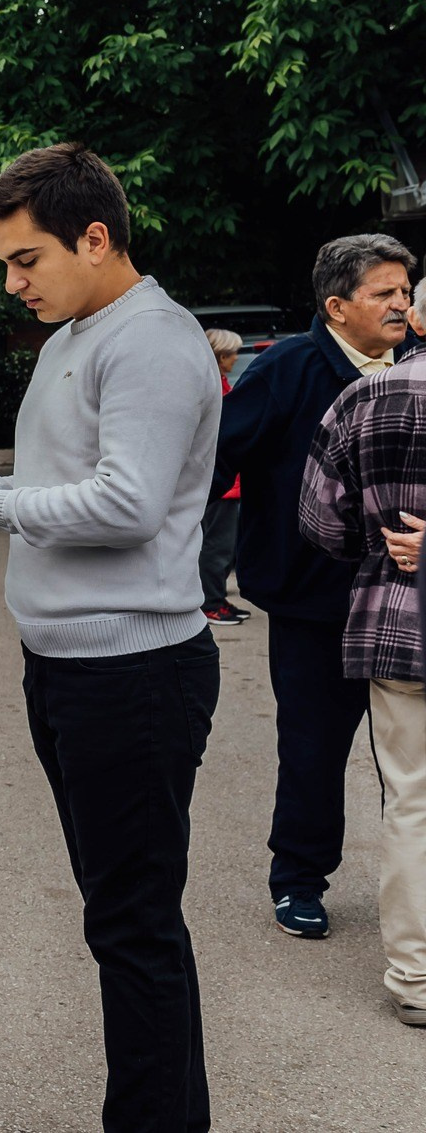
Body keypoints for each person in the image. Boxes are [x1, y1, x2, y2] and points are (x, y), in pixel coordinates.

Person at [0, 144, 219, 1133]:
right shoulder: (81, 331)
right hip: (73, 666)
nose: (9, 281)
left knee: (132, 925)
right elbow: (66, 484)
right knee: (120, 918)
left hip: (131, 672)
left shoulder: (148, 340)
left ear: (95, 237)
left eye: (24, 259)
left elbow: (126, 502)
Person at [215, 233, 418, 939]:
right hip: (313, 603)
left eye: (405, 289)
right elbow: (216, 458)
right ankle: (299, 878)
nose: (401, 302)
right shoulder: (288, 368)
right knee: (313, 748)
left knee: (413, 760)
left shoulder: (415, 369)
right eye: (384, 292)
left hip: (406, 604)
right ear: (336, 305)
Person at [299, 278, 426, 1027]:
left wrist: (376, 549)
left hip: (394, 623)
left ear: (414, 316)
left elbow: (321, 518)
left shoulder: (360, 399)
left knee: (410, 801)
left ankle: (415, 976)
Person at [199, 329, 246, 625]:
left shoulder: (220, 383)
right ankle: (210, 603)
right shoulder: (212, 386)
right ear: (220, 356)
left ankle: (217, 598)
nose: (236, 359)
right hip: (221, 484)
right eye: (231, 354)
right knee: (217, 546)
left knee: (223, 546)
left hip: (230, 481)